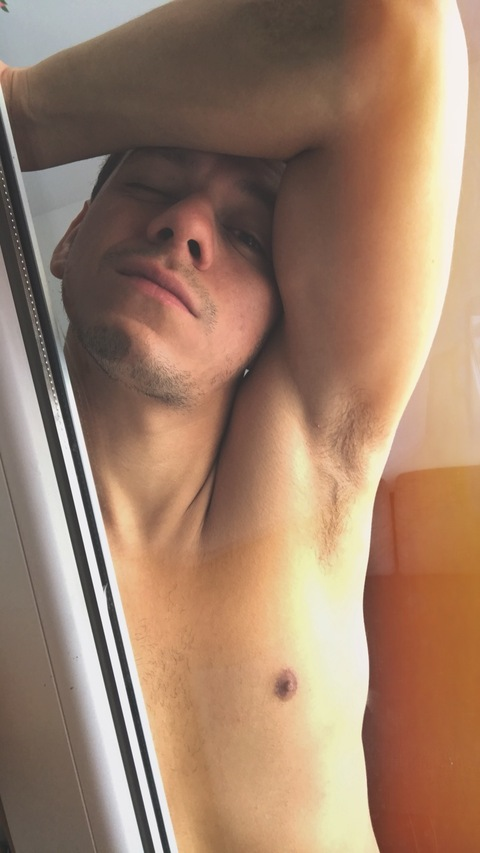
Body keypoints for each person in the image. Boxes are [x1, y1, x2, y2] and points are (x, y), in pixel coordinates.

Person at [0, 1, 468, 850]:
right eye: (150, 185)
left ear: (274, 324)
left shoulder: (311, 469)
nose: (186, 226)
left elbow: (396, 29)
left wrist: (16, 114)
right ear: (68, 239)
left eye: (246, 234)